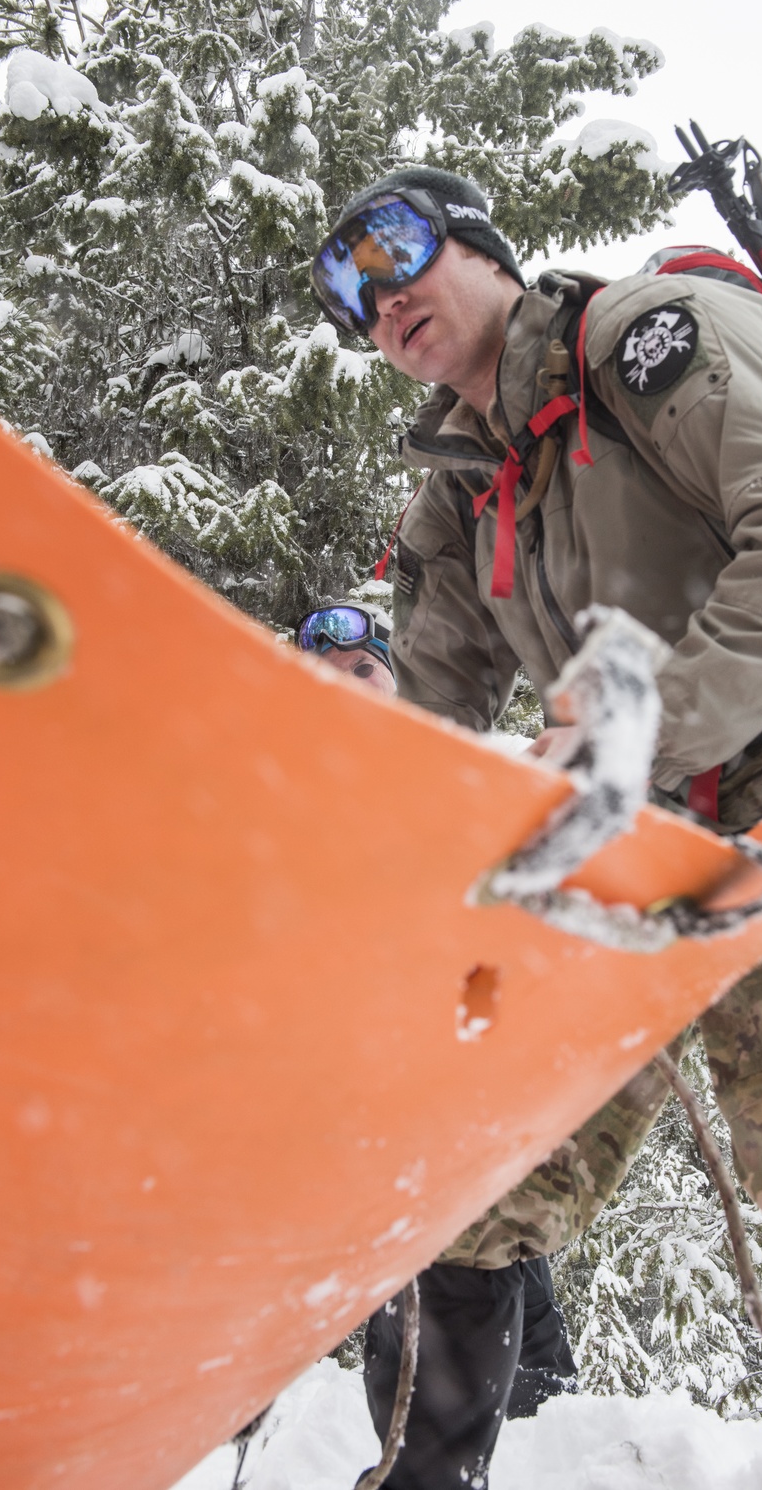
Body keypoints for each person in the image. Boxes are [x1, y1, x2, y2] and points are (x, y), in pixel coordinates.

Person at [310, 169, 762, 1487]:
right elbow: (434, 715)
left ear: (481, 246)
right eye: (348, 288)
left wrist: (645, 722)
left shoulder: (650, 340)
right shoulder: (461, 493)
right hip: (622, 829)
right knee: (470, 1188)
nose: (379, 294)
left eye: (396, 248)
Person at [297, 600, 580, 1462]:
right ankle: (459, 1448)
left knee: (492, 1262)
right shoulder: (297, 793)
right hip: (371, 1084)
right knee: (434, 1267)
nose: (349, 686)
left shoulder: (461, 769)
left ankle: (550, 1436)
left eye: (365, 669)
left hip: (469, 1073)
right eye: (326, 677)